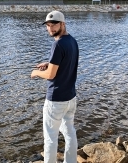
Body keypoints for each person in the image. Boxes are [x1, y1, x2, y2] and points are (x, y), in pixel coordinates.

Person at [30, 10, 79, 163]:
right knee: (69, 131)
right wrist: (49, 63)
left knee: (50, 137)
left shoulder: (57, 44)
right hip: (70, 97)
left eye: (54, 25)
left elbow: (50, 75)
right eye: (48, 25)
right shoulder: (72, 41)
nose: (50, 28)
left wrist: (36, 72)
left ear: (62, 24)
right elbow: (67, 60)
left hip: (56, 99)